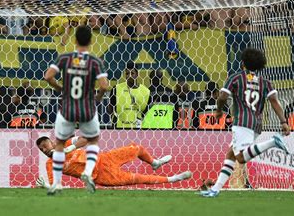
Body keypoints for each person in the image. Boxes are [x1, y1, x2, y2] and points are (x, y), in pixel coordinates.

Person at [201, 48, 291, 198]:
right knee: (231, 154)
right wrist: (283, 121)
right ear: (260, 65)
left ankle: (273, 142)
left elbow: (222, 96)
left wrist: (218, 111)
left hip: (242, 122)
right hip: (257, 124)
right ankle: (215, 189)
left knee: (241, 157)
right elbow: (274, 102)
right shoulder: (266, 83)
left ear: (242, 63)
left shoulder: (235, 78)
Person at [44, 25, 109, 195]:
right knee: (93, 140)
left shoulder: (65, 58)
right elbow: (104, 86)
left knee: (58, 144)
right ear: (91, 41)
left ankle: (57, 184)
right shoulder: (95, 62)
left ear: (74, 40)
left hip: (67, 108)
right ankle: (87, 172)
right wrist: (98, 98)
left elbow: (48, 76)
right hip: (87, 109)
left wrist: (60, 89)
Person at [35, 136, 191, 188]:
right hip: (101, 176)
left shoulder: (67, 143)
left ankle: (154, 163)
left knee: (136, 148)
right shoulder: (50, 164)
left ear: (52, 142)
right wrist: (48, 186)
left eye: (45, 145)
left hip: (105, 158)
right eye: (41, 149)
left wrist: (70, 149)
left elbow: (87, 139)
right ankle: (173, 179)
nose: (44, 150)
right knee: (136, 179)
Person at [108, 61, 150, 129]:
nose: (129, 76)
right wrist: (114, 120)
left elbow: (146, 113)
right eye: (127, 73)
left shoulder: (146, 92)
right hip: (119, 128)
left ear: (137, 74)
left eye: (132, 73)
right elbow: (110, 108)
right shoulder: (116, 88)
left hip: (137, 129)